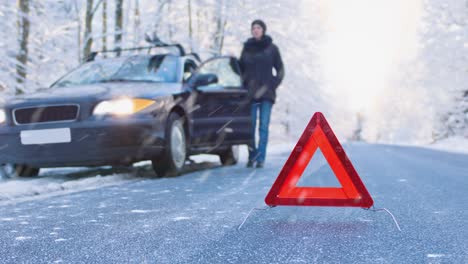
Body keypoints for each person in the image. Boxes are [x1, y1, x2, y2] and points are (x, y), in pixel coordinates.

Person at [239, 19, 285, 168]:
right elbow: (240, 69)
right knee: (250, 127)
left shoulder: (272, 48)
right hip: (250, 95)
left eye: (258, 27)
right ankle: (252, 156)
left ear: (263, 30)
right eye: (253, 28)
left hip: (266, 95)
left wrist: (273, 84)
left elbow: (280, 69)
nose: (255, 30)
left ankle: (261, 158)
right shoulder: (247, 48)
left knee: (263, 127)